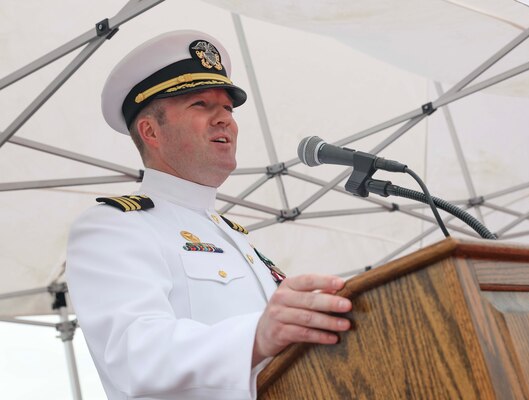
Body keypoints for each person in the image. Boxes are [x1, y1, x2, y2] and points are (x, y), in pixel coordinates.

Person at [66, 30, 352, 400]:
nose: (225, 119)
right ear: (150, 130)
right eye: (201, 104)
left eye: (228, 108)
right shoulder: (113, 227)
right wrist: (257, 335)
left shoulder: (236, 237)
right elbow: (135, 354)